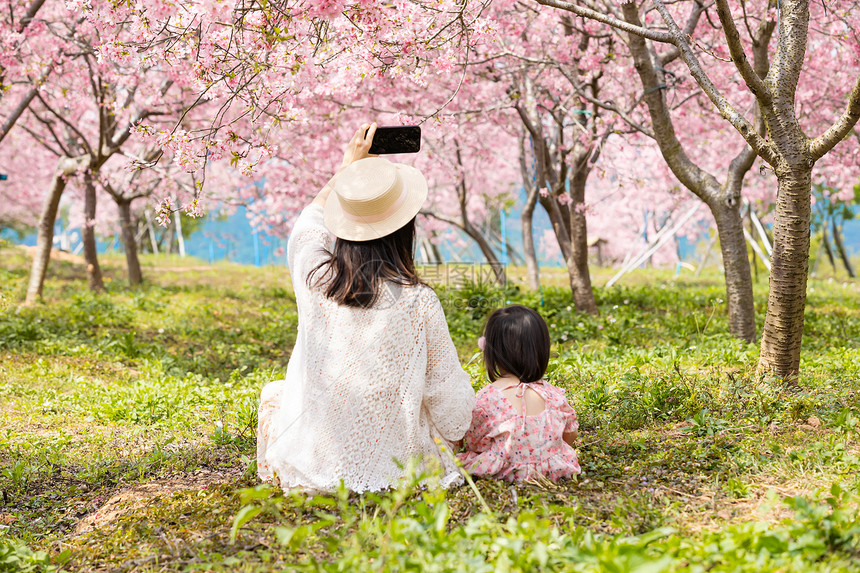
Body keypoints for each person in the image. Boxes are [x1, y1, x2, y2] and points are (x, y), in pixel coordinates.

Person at [256, 124, 475, 492]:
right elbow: (454, 416)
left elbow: (305, 229)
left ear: (343, 225)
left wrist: (345, 172)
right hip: (399, 472)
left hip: (312, 467)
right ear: (406, 229)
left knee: (275, 395)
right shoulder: (420, 302)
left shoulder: (316, 279)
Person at [457, 305, 580, 482]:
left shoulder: (488, 397)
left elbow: (474, 442)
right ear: (541, 351)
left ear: (492, 354)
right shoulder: (552, 394)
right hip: (554, 470)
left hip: (506, 472)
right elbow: (570, 435)